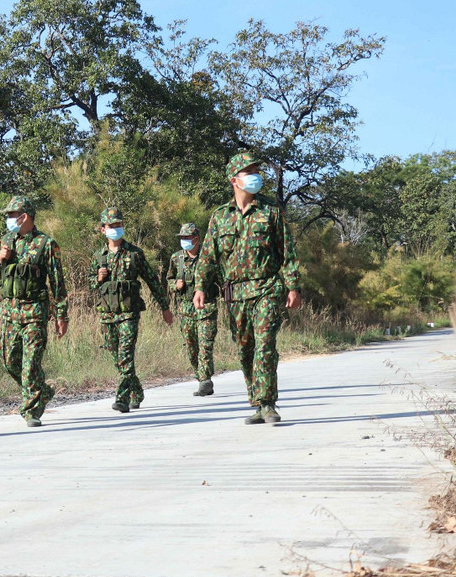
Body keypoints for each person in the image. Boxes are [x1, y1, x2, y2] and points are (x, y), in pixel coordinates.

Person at [194, 153, 302, 424]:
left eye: (256, 170)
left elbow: (287, 252)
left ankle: (268, 404)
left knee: (265, 345)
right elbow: (207, 256)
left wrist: (293, 286)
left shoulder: (271, 211)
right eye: (248, 171)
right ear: (234, 180)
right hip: (235, 294)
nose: (255, 175)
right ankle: (256, 401)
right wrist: (200, 287)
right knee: (245, 349)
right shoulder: (220, 217)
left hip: (266, 288)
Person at [0, 196, 69, 427]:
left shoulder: (46, 243)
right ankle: (42, 390)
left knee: (31, 363)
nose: (8, 219)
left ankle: (31, 410)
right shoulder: (5, 240)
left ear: (24, 216)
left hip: (34, 312)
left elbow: (58, 282)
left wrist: (61, 316)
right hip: (10, 313)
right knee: (10, 361)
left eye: (11, 215)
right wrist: (0, 259)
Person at [89, 208, 173, 413]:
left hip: (129, 313)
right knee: (115, 355)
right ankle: (137, 390)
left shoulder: (135, 254)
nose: (116, 229)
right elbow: (91, 285)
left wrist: (165, 307)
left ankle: (122, 398)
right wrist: (98, 278)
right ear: (103, 230)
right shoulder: (98, 256)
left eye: (119, 225)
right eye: (111, 226)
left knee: (125, 354)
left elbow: (152, 281)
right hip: (107, 314)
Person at [167, 223, 218, 397]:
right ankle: (200, 376)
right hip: (185, 308)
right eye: (182, 238)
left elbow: (222, 278)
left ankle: (205, 380)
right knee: (191, 345)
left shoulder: (209, 256)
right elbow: (169, 279)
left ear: (196, 239)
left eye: (187, 238)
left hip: (206, 307)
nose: (184, 241)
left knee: (205, 344)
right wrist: (175, 284)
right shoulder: (176, 258)